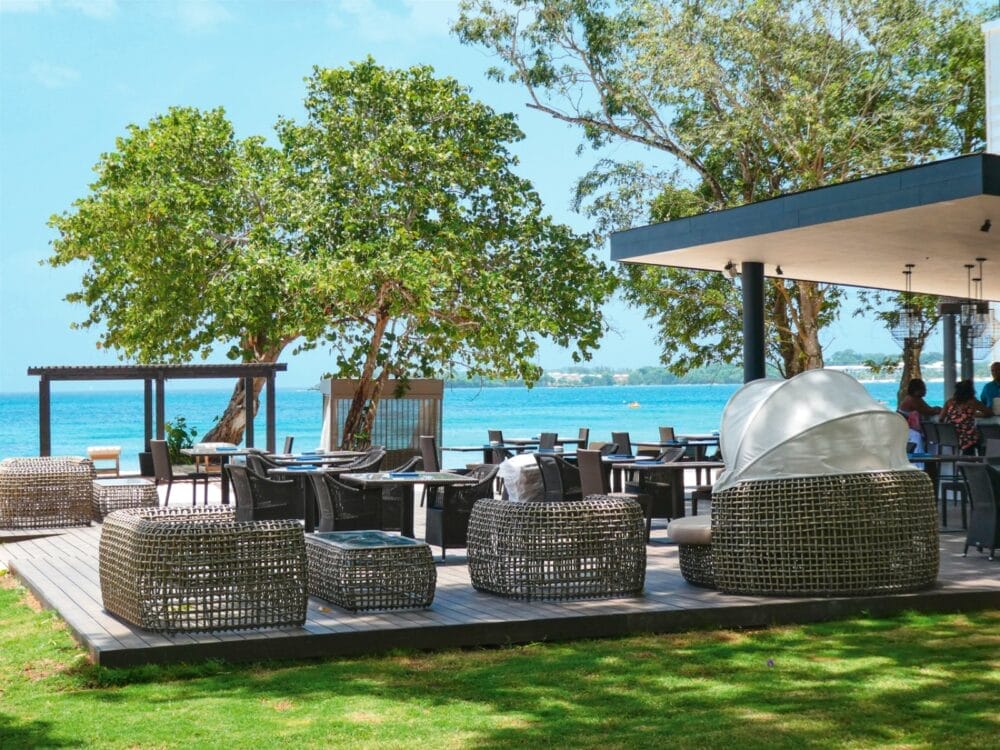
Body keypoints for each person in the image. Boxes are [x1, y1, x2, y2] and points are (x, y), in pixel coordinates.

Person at [941, 379, 993, 454]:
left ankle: (968, 461)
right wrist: (977, 415)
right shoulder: (972, 402)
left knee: (974, 438)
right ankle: (978, 462)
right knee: (984, 441)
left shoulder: (949, 402)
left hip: (951, 436)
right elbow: (989, 413)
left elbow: (941, 418)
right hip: (967, 437)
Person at [898, 378, 940, 453]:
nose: (925, 390)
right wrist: (939, 409)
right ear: (917, 390)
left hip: (906, 427)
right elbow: (929, 411)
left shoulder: (915, 398)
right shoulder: (913, 400)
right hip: (905, 428)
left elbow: (928, 409)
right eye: (923, 388)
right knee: (919, 436)